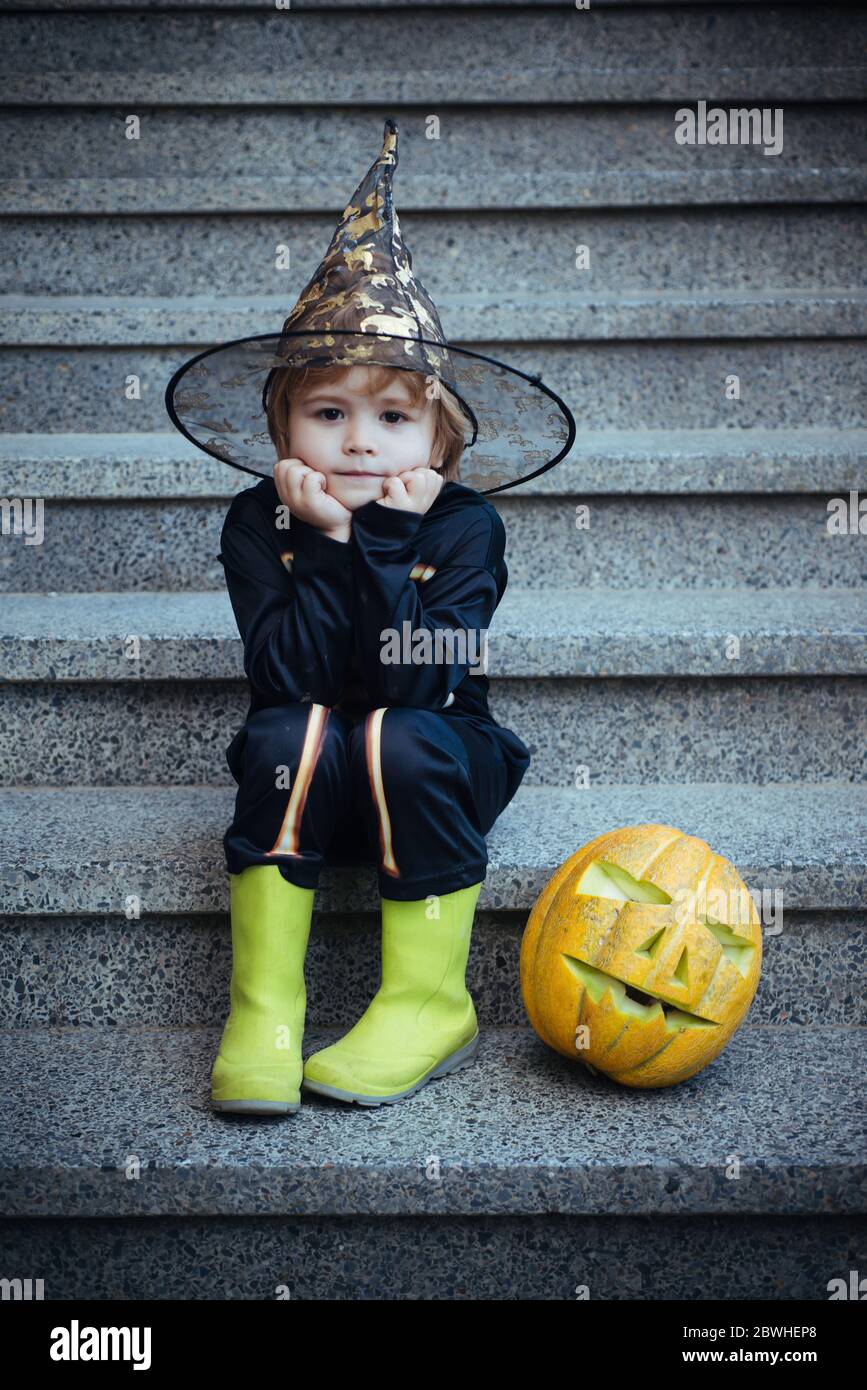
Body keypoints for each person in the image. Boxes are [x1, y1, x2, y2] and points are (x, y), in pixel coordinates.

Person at [163, 116, 574, 1113]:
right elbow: (287, 673)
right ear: (283, 424)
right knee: (284, 729)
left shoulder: (466, 526)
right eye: (329, 411)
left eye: (392, 416)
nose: (359, 441)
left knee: (402, 728)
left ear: (438, 434)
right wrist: (325, 545)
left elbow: (421, 674)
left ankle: (427, 1001)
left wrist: (373, 544)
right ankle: (265, 1009)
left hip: (431, 768)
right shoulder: (259, 522)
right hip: (310, 779)